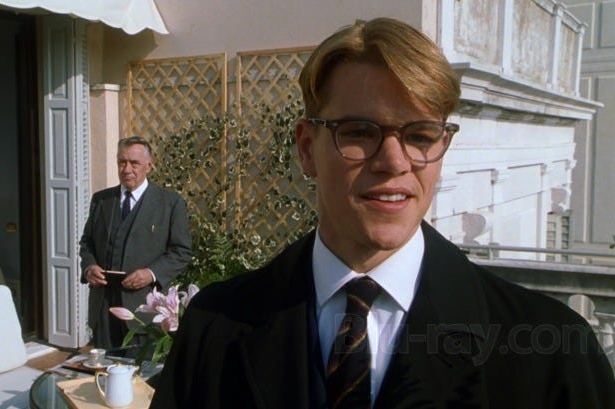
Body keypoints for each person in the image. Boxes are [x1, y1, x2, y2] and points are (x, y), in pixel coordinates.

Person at [150, 17, 615, 408]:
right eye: (359, 131)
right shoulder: (214, 327)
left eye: (420, 136)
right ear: (307, 149)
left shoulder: (553, 350)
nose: (394, 162)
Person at [80, 136, 192, 349]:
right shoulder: (101, 200)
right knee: (104, 366)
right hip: (103, 309)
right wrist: (89, 267)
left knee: (141, 369)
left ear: (149, 166)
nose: (127, 169)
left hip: (144, 310)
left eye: (134, 163)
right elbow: (87, 242)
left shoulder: (170, 203)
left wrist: (151, 273)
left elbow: (181, 251)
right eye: (122, 162)